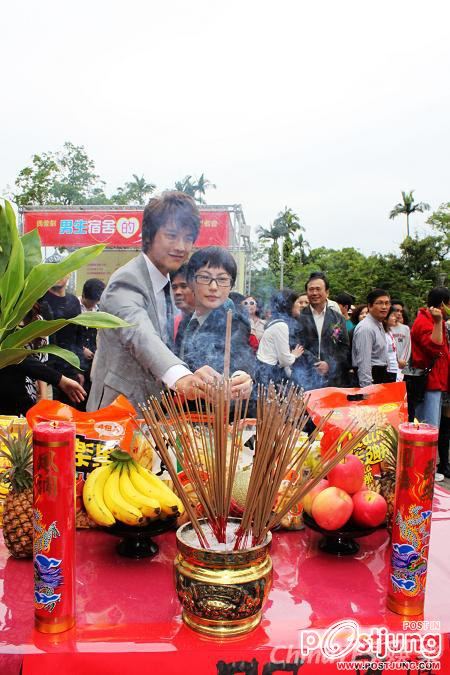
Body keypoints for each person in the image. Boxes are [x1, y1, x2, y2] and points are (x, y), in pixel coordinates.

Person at [87, 192, 233, 412]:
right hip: (116, 414)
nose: (181, 247)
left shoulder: (166, 282)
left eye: (188, 238)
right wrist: (180, 376)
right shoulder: (128, 280)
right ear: (149, 235)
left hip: (150, 414)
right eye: (171, 235)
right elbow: (139, 333)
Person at [177, 247, 254, 397]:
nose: (213, 287)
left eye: (222, 279)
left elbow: (240, 355)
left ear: (230, 286)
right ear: (191, 282)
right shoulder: (186, 322)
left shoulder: (235, 321)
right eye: (205, 278)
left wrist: (240, 376)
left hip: (217, 413)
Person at [296, 272, 349, 388]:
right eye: (311, 289)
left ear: (327, 292)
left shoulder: (337, 319)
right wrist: (315, 363)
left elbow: (344, 347)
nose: (314, 293)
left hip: (332, 378)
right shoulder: (299, 317)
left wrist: (329, 364)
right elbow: (295, 344)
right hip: (306, 376)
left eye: (318, 289)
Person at [41, 274, 86, 405]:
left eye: (63, 270)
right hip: (46, 368)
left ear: (69, 274)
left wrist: (79, 369)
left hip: (69, 366)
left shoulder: (73, 301)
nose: (58, 275)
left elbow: (78, 335)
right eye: (55, 271)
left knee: (68, 413)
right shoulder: (41, 301)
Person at [410, 287, 450, 429]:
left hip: (437, 382)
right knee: (428, 429)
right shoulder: (424, 322)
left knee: (434, 428)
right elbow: (435, 347)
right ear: (442, 305)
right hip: (428, 384)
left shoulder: (434, 320)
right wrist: (438, 322)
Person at [255, 290, 305, 387]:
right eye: (298, 302)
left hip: (264, 371)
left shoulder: (277, 322)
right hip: (268, 374)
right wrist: (294, 355)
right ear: (290, 305)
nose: (300, 306)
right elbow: (284, 360)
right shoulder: (281, 325)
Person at [352, 289, 391, 387]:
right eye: (380, 303)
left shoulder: (379, 323)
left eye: (387, 303)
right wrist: (367, 388)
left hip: (381, 375)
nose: (384, 307)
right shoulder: (366, 328)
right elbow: (364, 362)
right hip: (371, 378)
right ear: (369, 306)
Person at [77, 278, 106, 409]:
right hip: (76, 361)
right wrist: (81, 349)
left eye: (95, 302)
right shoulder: (74, 307)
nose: (93, 305)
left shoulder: (99, 311)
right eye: (90, 302)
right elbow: (67, 337)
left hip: (92, 364)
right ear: (83, 295)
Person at [170, 263, 196, 343]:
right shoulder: (175, 322)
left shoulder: (209, 320)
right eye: (174, 287)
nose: (177, 292)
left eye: (183, 286)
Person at [390, 299, 411, 373]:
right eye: (396, 310)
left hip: (402, 366)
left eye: (401, 311)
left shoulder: (405, 328)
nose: (399, 313)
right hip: (389, 365)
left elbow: (407, 347)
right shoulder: (386, 328)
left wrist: (403, 360)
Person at [384, 307, 399, 382]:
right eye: (392, 316)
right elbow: (384, 355)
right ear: (385, 319)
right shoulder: (384, 335)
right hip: (388, 370)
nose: (395, 318)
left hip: (394, 369)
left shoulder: (390, 331)